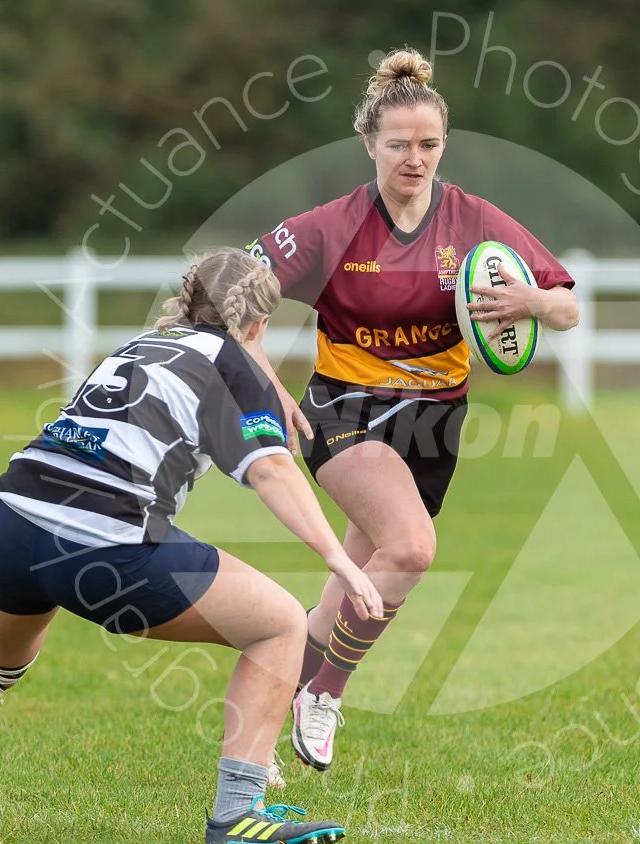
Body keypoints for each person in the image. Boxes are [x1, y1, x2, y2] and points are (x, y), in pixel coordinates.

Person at [0, 248, 380, 844]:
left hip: (14, 519)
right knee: (280, 626)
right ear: (258, 324)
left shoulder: (143, 344)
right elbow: (271, 470)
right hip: (104, 543)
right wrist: (338, 558)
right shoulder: (231, 363)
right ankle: (237, 817)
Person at [243, 48, 581, 772]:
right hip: (345, 408)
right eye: (398, 144)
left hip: (436, 422)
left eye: (429, 144)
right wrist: (264, 374)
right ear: (369, 144)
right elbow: (235, 290)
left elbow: (568, 308)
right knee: (412, 549)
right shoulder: (333, 227)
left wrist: (534, 301)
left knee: (355, 583)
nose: (414, 158)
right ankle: (326, 692)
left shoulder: (475, 221)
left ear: (443, 146)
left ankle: (257, 730)